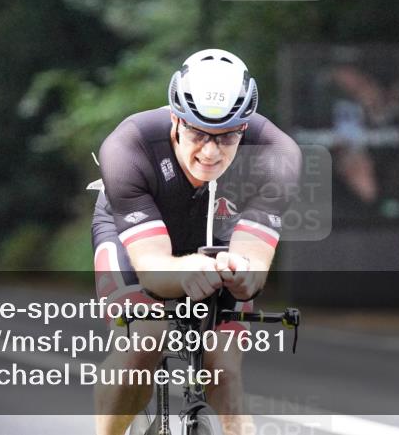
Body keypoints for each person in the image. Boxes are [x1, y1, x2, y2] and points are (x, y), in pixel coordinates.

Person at [91, 48, 301, 435]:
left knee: (223, 370)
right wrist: (190, 269)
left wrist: (238, 271)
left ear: (244, 127)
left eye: (225, 138)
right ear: (175, 118)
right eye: (197, 133)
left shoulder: (276, 154)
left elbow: (253, 268)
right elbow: (154, 272)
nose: (209, 151)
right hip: (136, 238)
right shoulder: (128, 146)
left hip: (218, 239)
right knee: (146, 341)